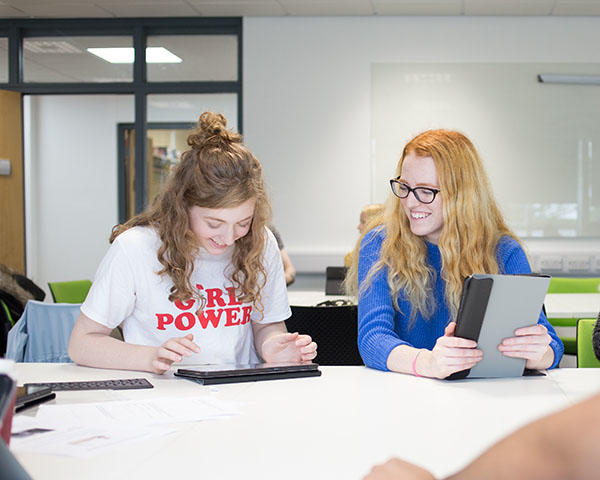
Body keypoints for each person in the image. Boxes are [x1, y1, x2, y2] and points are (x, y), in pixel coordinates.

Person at [68, 112, 317, 374]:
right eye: (214, 223)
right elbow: (82, 343)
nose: (229, 237)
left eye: (242, 222)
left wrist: (271, 345)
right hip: (160, 396)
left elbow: (265, 325)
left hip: (239, 391)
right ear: (182, 206)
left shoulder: (259, 240)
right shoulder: (136, 248)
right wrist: (150, 357)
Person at [346, 129, 563, 378]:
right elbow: (373, 339)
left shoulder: (503, 251)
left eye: (426, 191)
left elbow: (552, 346)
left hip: (483, 397)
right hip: (406, 393)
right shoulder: (379, 243)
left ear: (462, 195)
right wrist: (429, 363)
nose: (411, 202)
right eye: (404, 187)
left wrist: (539, 353)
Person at [363, 391, 600, 480]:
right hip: (410, 405)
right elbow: (373, 338)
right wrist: (424, 360)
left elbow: (550, 343)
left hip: (489, 401)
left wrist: (544, 351)